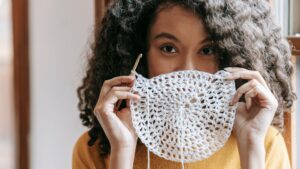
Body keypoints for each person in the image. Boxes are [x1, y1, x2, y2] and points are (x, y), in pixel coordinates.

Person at [72, 0, 296, 169]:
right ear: (137, 54)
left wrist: (251, 148)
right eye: (168, 48)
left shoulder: (262, 142)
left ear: (230, 57)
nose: (188, 69)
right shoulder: (96, 150)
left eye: (207, 51)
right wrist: (122, 151)